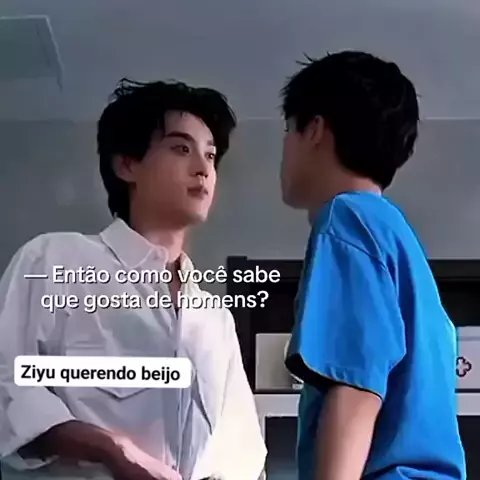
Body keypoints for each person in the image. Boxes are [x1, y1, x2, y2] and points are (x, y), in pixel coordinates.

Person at [0, 79, 266, 480]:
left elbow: (242, 454)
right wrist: (110, 449)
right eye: (181, 148)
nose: (203, 168)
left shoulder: (214, 318)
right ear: (127, 165)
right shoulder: (54, 260)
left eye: (211, 155)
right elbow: (7, 385)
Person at [281, 51, 465, 480]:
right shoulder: (397, 236)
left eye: (288, 130)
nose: (285, 148)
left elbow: (357, 386)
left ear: (315, 130)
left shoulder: (347, 219)